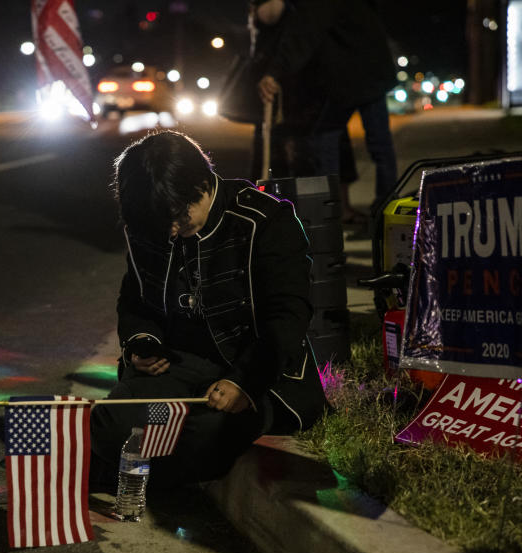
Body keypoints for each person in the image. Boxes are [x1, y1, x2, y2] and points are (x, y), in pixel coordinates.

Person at [90, 130, 327, 489]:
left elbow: (288, 315)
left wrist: (243, 382)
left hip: (256, 369)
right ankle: (139, 471)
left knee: (204, 435)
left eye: (178, 217)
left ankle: (137, 475)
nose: (170, 231)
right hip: (179, 363)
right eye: (161, 223)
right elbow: (135, 298)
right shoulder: (153, 223)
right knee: (111, 423)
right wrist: (142, 343)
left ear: (201, 184)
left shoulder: (265, 220)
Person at [248, 0, 397, 209]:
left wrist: (274, 73)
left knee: (327, 142)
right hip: (369, 72)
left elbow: (303, 35)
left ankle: (334, 212)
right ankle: (378, 210)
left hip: (354, 77)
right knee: (379, 145)